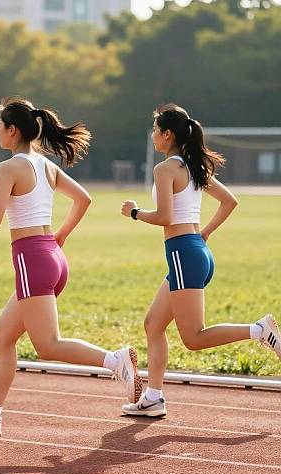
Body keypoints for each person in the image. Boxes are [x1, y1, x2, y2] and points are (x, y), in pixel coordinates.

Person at [0, 96, 142, 437]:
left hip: (31, 259)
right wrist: (61, 236)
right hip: (52, 257)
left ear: (13, 131)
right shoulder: (45, 165)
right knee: (3, 335)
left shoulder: (8, 168)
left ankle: (115, 361)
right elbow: (84, 199)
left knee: (48, 345)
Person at [120, 103, 281, 418]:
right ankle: (153, 398)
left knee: (193, 338)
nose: (153, 135)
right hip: (194, 251)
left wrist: (135, 213)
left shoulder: (165, 169)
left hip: (183, 253)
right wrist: (204, 234)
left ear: (168, 135)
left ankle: (258, 329)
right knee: (153, 324)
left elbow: (165, 216)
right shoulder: (193, 167)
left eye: (155, 130)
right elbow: (229, 202)